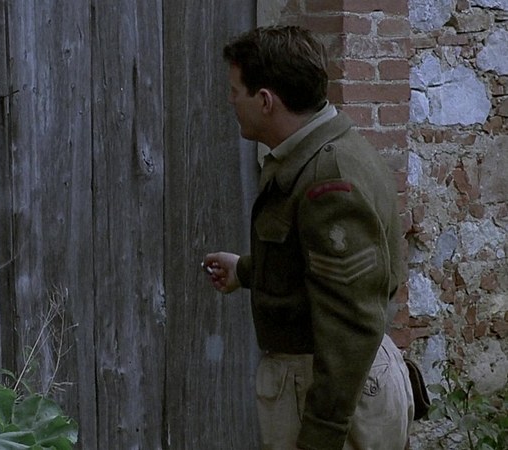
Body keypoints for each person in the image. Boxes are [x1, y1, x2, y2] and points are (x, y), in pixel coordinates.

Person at [203, 26, 414, 449]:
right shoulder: (323, 151)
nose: (230, 101)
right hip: (329, 385)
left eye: (235, 91)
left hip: (330, 393)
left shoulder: (328, 181)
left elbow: (350, 323)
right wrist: (246, 270)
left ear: (266, 101)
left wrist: (322, 436)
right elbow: (317, 267)